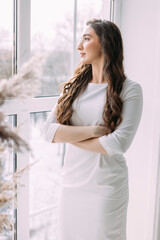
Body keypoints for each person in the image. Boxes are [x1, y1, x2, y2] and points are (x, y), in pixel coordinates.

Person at [43, 19, 143, 240]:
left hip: (106, 188)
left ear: (105, 44)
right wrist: (94, 131)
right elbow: (48, 131)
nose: (79, 46)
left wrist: (67, 136)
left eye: (86, 39)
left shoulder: (130, 90)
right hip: (71, 185)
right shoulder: (74, 87)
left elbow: (118, 144)